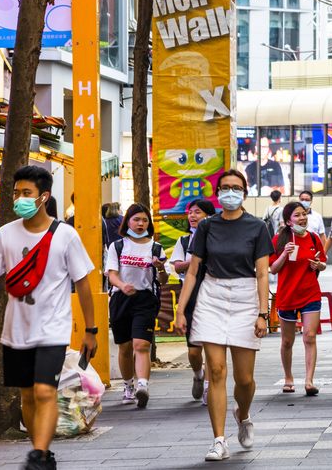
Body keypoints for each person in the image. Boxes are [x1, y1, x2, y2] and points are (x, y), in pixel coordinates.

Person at [0, 165, 96, 470]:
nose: (19, 199)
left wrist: (90, 329)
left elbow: (83, 283)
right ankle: (42, 453)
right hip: (15, 331)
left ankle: (39, 455)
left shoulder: (66, 236)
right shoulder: (5, 234)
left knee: (44, 391)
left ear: (44, 197)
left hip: (52, 329)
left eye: (27, 193)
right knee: (27, 397)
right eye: (16, 193)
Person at [174, 169, 272, 462]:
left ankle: (243, 413)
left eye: (236, 187)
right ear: (217, 193)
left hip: (245, 296)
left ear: (245, 192)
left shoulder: (257, 227)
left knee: (245, 379)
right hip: (212, 296)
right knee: (216, 371)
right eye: (225, 187)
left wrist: (263, 313)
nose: (231, 192)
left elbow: (263, 273)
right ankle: (219, 440)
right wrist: (181, 310)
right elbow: (193, 271)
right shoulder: (207, 226)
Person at [105, 203, 166, 409]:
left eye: (144, 220)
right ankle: (128, 386)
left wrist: (161, 268)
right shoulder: (117, 246)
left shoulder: (156, 248)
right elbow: (112, 275)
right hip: (120, 298)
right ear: (127, 222)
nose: (140, 224)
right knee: (124, 346)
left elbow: (162, 280)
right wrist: (122, 286)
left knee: (141, 344)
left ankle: (143, 386)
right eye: (136, 220)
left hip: (145, 299)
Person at [269, 201, 327, 396]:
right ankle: (288, 377)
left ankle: (309, 381)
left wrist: (318, 265)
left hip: (310, 293)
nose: (302, 218)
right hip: (287, 295)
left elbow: (323, 263)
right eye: (297, 215)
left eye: (304, 214)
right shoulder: (279, 239)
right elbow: (273, 269)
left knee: (310, 336)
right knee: (287, 341)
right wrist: (284, 254)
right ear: (288, 221)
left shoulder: (313, 238)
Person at [170, 198, 215, 405]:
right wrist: (196, 259)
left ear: (208, 216)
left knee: (212, 347)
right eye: (190, 212)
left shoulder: (217, 239)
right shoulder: (184, 241)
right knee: (194, 350)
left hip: (213, 296)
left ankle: (208, 387)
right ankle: (198, 374)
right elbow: (178, 266)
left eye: (197, 212)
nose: (192, 216)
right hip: (191, 298)